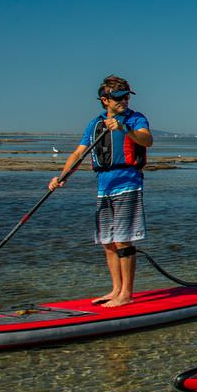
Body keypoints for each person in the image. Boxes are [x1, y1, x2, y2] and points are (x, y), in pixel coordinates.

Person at [50, 76, 152, 306]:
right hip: (104, 187)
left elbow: (147, 140)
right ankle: (115, 290)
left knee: (123, 240)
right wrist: (62, 176)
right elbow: (78, 153)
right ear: (105, 100)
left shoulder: (135, 119)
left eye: (126, 96)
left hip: (128, 183)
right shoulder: (94, 124)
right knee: (108, 242)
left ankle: (126, 294)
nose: (123, 101)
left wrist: (125, 129)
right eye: (118, 98)